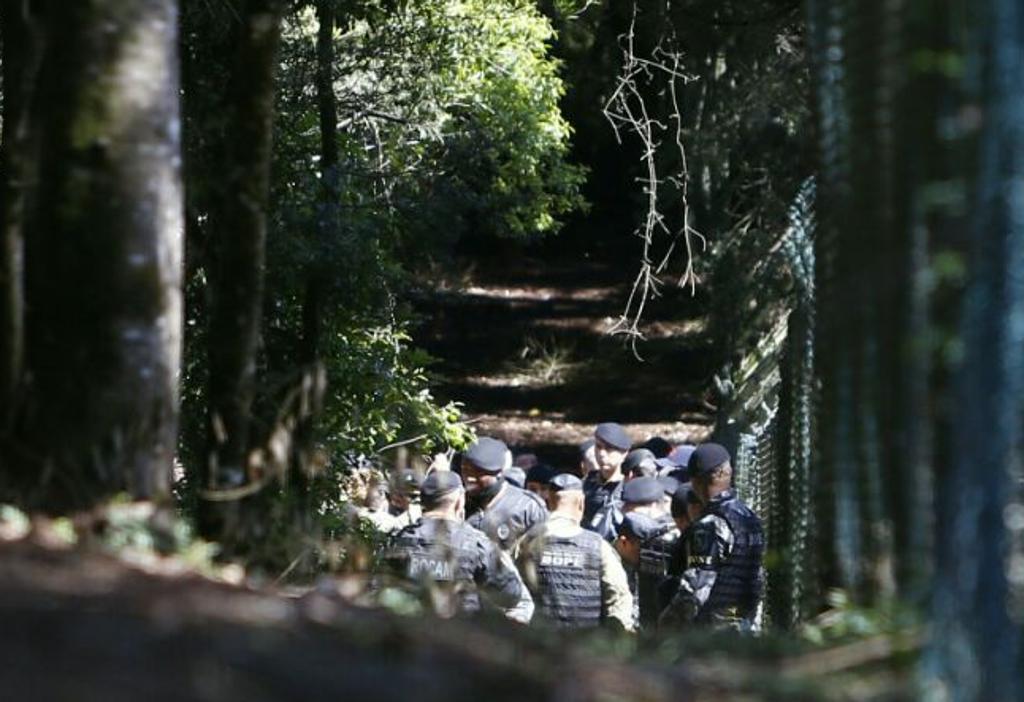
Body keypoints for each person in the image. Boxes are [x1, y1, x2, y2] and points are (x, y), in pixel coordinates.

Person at [382, 471, 534, 623]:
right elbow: (510, 595)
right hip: (461, 637)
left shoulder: (400, 539)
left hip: (410, 635)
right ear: (459, 501)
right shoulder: (477, 544)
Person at [660, 443, 765, 632]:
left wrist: (666, 624)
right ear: (728, 472)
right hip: (746, 624)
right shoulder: (749, 516)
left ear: (695, 481)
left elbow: (696, 589)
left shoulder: (709, 526)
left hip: (714, 632)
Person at [518, 473, 634, 630]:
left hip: (539, 645)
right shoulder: (599, 546)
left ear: (549, 502)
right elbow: (618, 597)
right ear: (581, 503)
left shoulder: (527, 542)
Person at [462, 436, 547, 553]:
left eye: (478, 473)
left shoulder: (527, 507)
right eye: (465, 470)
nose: (470, 478)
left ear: (499, 473)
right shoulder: (456, 503)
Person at [620, 477, 680, 629]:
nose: (625, 513)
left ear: (653, 506)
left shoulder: (672, 536)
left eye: (632, 508)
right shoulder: (632, 531)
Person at [613, 512, 663, 631]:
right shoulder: (606, 563)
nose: (648, 554)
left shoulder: (642, 563)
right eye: (643, 548)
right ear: (624, 542)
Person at [583, 422, 632, 531]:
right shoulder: (587, 483)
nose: (601, 454)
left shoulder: (628, 488)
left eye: (609, 449)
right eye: (598, 447)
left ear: (624, 453)